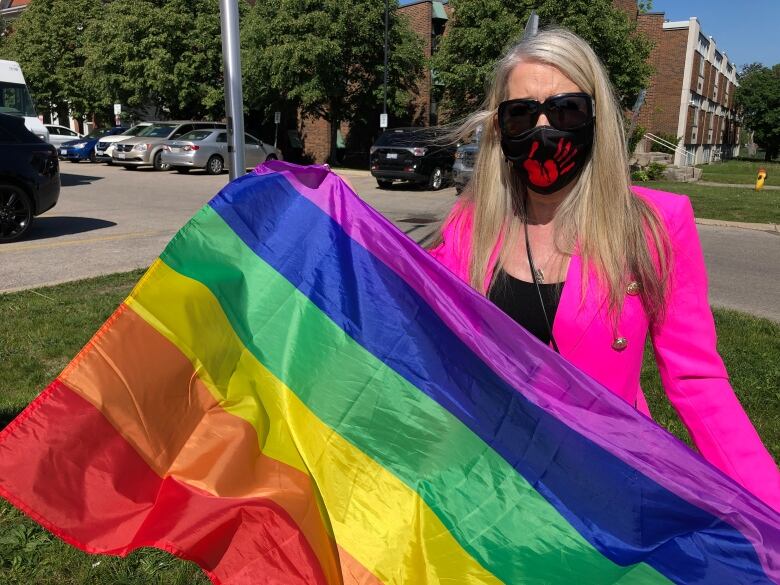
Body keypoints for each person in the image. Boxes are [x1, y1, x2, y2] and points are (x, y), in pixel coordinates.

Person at [429, 27, 780, 510]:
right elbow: (411, 326)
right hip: (486, 482)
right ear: (499, 129)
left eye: (567, 109)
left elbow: (697, 383)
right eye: (521, 114)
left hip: (603, 490)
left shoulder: (653, 227)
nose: (545, 129)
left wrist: (771, 504)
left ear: (596, 118)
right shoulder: (469, 226)